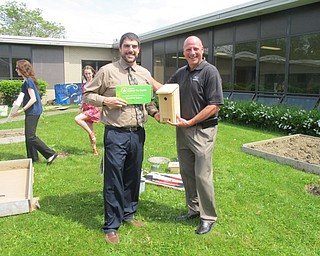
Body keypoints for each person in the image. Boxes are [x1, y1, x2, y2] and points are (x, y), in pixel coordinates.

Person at [82, 32, 159, 245]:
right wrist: (107, 100)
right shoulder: (107, 71)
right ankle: (111, 225)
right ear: (120, 49)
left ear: (139, 49)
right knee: (113, 179)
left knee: (133, 177)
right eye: (127, 46)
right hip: (116, 134)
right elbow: (87, 95)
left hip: (138, 133)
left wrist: (156, 113)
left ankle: (128, 213)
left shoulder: (144, 73)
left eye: (134, 46)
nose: (131, 50)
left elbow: (149, 101)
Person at [166, 36, 224, 235]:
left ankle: (208, 217)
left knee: (202, 174)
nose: (192, 53)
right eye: (188, 49)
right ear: (183, 53)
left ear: (202, 50)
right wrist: (146, 78)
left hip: (202, 131)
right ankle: (193, 209)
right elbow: (164, 89)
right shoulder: (181, 73)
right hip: (182, 130)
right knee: (187, 172)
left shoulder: (210, 71)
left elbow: (214, 105)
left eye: (195, 49)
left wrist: (191, 122)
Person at [11, 59, 58, 165]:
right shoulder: (26, 81)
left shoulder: (28, 81)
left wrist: (21, 110)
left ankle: (50, 154)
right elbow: (24, 96)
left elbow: (33, 99)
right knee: (29, 136)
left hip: (33, 111)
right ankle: (33, 158)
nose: (16, 70)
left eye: (17, 68)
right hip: (32, 111)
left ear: (22, 69)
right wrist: (17, 103)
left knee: (30, 136)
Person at [75, 65, 100, 155]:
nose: (88, 75)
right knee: (89, 128)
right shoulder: (84, 85)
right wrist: (80, 108)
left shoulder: (96, 83)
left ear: (93, 73)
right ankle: (95, 149)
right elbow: (84, 98)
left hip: (93, 108)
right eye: (86, 74)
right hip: (86, 107)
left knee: (77, 119)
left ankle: (92, 134)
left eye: (89, 73)